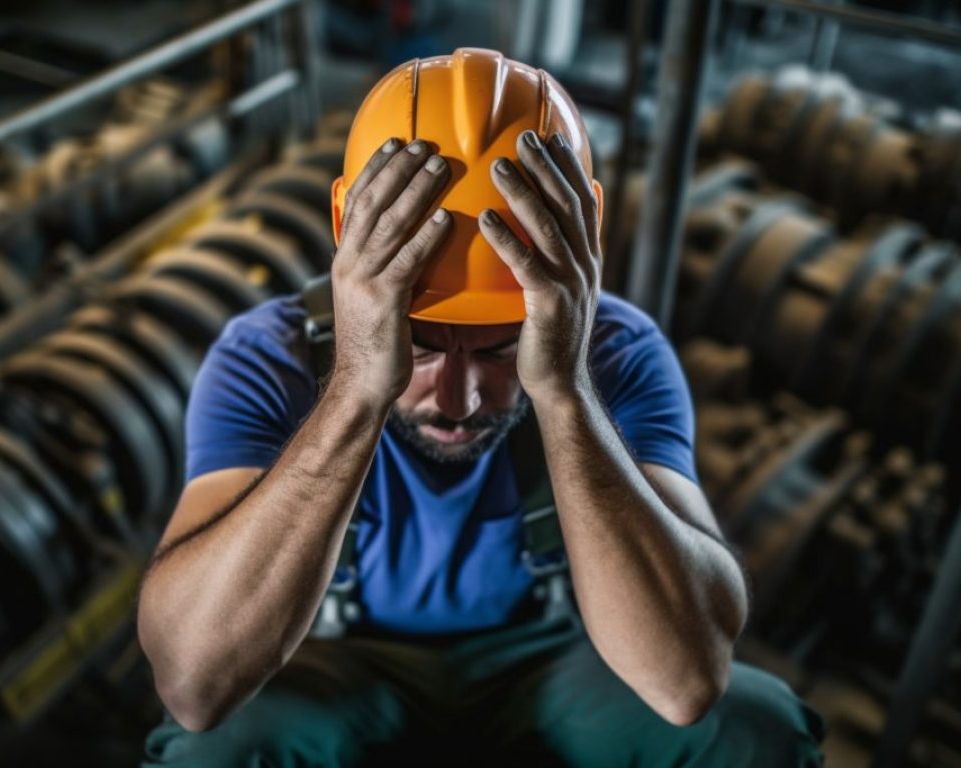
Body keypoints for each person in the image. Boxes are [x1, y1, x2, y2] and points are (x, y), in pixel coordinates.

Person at [136, 48, 827, 767]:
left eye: (500, 350)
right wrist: (356, 388)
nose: (459, 401)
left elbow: (687, 684)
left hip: (553, 662)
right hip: (344, 665)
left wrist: (564, 389)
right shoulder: (267, 357)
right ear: (349, 235)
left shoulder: (619, 352)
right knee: (213, 752)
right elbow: (193, 684)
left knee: (755, 730)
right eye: (423, 345)